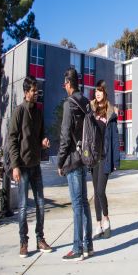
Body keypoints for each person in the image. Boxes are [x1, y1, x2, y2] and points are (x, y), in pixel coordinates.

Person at [8, 76, 52, 258]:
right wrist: (15, 166)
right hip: (23, 167)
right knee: (24, 206)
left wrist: (44, 141)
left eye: (37, 90)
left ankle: (40, 238)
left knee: (41, 204)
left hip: (36, 166)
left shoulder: (39, 113)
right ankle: (23, 242)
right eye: (34, 90)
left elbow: (41, 135)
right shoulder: (19, 112)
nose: (36, 93)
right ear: (26, 93)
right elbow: (12, 139)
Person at [57, 67, 93, 261]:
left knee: (77, 204)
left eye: (65, 84)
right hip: (85, 156)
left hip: (72, 159)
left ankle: (77, 247)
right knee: (84, 203)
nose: (65, 88)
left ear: (68, 84)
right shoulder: (86, 102)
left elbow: (64, 136)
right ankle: (89, 245)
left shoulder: (69, 104)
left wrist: (60, 161)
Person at [91, 80, 120, 239]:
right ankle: (98, 225)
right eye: (96, 91)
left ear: (105, 93)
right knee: (95, 192)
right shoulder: (91, 109)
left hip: (105, 156)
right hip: (94, 157)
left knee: (101, 191)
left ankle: (107, 218)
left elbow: (115, 138)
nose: (97, 93)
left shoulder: (111, 113)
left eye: (100, 91)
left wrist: (116, 161)